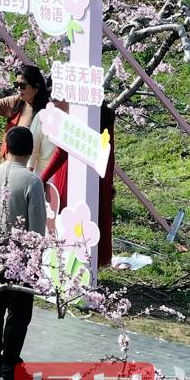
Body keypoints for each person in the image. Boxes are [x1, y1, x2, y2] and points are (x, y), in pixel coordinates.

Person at [0, 126, 46, 380]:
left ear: (5, 147)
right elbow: (37, 229)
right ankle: (10, 366)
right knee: (19, 314)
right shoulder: (32, 181)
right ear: (31, 151)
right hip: (21, 257)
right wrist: (36, 260)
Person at [40, 105, 115, 267]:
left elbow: (61, 152)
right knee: (92, 220)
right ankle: (89, 263)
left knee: (68, 219)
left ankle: (70, 264)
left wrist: (42, 178)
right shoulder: (105, 113)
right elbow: (110, 151)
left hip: (71, 173)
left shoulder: (77, 111)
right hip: (98, 174)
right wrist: (109, 181)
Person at [0, 64, 51, 160]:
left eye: (22, 86)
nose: (18, 89)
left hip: (30, 165)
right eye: (16, 85)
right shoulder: (15, 102)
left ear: (36, 88)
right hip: (8, 163)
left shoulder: (48, 112)